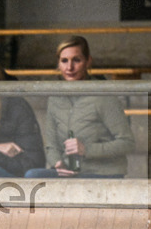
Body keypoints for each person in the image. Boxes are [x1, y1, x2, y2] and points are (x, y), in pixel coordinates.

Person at [25, 36, 134, 179]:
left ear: (88, 61)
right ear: (58, 64)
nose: (69, 67)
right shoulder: (55, 98)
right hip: (70, 172)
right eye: (64, 61)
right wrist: (58, 163)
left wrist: (87, 150)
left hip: (102, 174)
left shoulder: (104, 95)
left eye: (76, 60)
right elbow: (51, 145)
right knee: (32, 176)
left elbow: (127, 143)